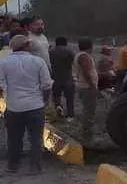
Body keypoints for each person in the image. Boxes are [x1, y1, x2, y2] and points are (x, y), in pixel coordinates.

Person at [0, 35, 53, 173]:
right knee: (35, 138)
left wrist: (6, 98)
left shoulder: (4, 63)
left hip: (13, 107)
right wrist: (44, 101)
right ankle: (34, 167)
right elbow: (47, 85)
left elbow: (1, 85)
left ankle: (13, 166)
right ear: (27, 45)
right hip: (35, 106)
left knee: (14, 138)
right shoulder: (38, 62)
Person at [75, 39, 99, 140]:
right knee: (89, 110)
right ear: (90, 46)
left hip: (85, 86)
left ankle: (86, 130)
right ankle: (87, 133)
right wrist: (93, 86)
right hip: (87, 87)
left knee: (88, 109)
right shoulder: (84, 57)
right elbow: (86, 73)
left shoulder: (81, 55)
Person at [49, 36, 76, 118]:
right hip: (67, 77)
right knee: (69, 98)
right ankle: (70, 115)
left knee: (57, 96)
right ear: (65, 42)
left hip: (55, 77)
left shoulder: (51, 51)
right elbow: (73, 61)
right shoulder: (69, 51)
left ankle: (58, 110)